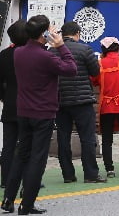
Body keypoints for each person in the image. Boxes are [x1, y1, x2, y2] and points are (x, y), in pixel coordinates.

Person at [2, 15, 77, 215]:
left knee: (21, 154)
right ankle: (27, 204)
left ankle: (8, 199)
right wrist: (60, 45)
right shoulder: (47, 57)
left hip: (23, 111)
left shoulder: (18, 53)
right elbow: (71, 68)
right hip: (43, 112)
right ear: (44, 33)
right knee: (37, 158)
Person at [50, 21, 104, 184]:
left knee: (63, 137)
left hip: (60, 101)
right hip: (82, 101)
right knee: (87, 138)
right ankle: (91, 174)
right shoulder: (85, 49)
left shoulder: (51, 51)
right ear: (78, 34)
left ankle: (68, 175)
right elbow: (95, 71)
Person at [91, 37, 119, 178]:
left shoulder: (99, 64)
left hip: (106, 105)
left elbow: (94, 81)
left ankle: (109, 168)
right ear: (118, 48)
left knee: (107, 139)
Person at [0, 20, 28, 188]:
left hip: (10, 103)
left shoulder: (3, 55)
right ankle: (29, 179)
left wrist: (4, 96)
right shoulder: (32, 54)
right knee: (27, 145)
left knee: (8, 145)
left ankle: (5, 179)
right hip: (29, 104)